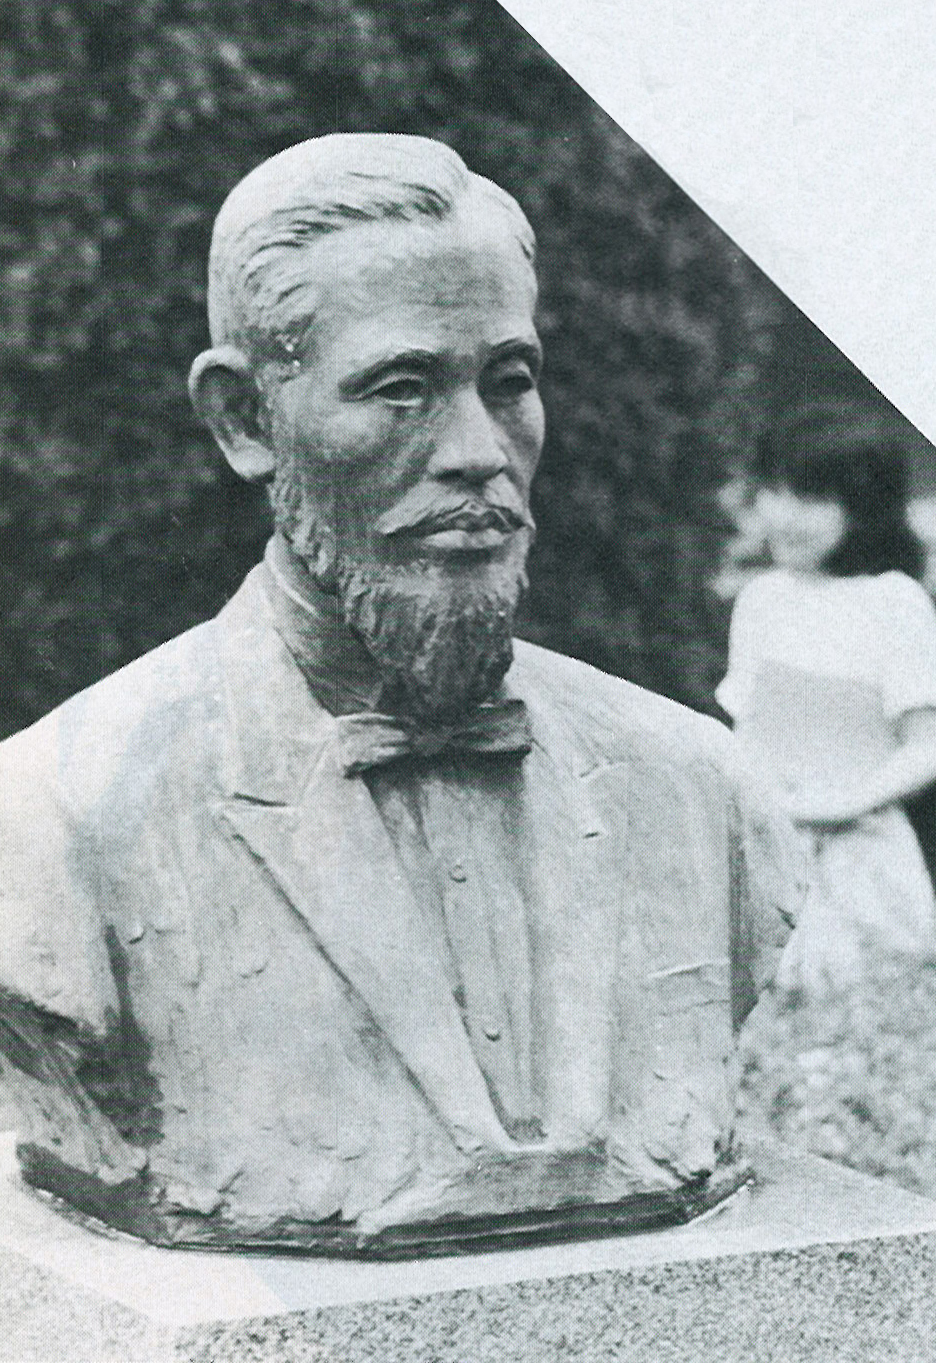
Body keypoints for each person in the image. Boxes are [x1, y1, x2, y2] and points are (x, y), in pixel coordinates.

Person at [0, 134, 799, 1254]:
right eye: (402, 388)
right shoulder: (52, 814)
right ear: (244, 420)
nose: (478, 451)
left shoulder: (700, 787)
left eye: (508, 382)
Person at [717, 406, 936, 996]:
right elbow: (746, 736)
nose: (784, 514)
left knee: (860, 1015)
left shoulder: (893, 603)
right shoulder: (761, 600)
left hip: (858, 860)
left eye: (812, 498)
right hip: (764, 851)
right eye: (775, 491)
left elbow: (927, 746)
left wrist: (842, 802)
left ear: (862, 509)